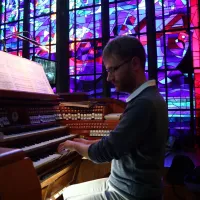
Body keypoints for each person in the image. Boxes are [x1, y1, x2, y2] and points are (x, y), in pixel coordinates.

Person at [57, 35, 168, 200]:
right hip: (121, 184)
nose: (108, 78)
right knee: (66, 193)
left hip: (130, 193)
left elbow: (104, 152)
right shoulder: (147, 97)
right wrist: (84, 142)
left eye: (112, 69)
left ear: (135, 64)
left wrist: (73, 145)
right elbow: (119, 141)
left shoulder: (143, 104)